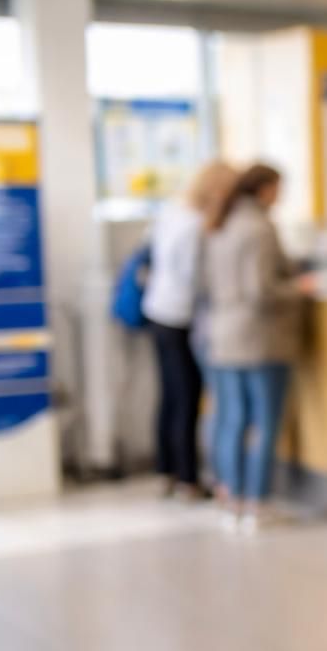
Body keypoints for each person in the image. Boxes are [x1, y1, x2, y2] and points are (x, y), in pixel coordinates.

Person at [203, 163, 303, 534]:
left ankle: (231, 498)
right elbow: (261, 291)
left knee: (230, 419)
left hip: (223, 337)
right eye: (278, 189)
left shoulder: (220, 223)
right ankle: (257, 503)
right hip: (259, 340)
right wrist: (300, 289)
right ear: (264, 190)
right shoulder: (260, 228)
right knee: (265, 423)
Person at [143, 161, 235, 500]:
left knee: (169, 395)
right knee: (187, 396)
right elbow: (195, 276)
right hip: (181, 315)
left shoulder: (172, 212)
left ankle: (167, 471)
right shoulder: (198, 224)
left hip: (157, 309)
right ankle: (188, 479)